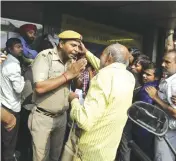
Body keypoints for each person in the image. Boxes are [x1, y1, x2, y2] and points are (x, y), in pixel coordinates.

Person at [68, 43, 135, 161]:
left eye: (102, 55)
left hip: (89, 152)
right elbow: (107, 69)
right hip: (108, 152)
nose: (100, 59)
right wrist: (87, 53)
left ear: (109, 57)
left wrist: (74, 100)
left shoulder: (102, 77)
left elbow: (84, 120)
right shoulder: (129, 77)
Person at [28, 30, 87, 161]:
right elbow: (39, 87)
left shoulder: (71, 61)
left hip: (61, 117)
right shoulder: (45, 57)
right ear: (61, 44)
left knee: (56, 157)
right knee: (40, 158)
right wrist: (68, 75)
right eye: (73, 45)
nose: (76, 49)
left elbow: (76, 86)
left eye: (78, 46)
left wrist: (79, 76)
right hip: (43, 117)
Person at [145, 50, 176, 161]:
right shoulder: (170, 79)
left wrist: (155, 97)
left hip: (168, 132)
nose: (162, 64)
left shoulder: (175, 84)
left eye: (167, 62)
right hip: (164, 128)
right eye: (162, 61)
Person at [115, 54, 151, 161]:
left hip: (129, 117)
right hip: (128, 116)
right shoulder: (133, 78)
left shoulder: (140, 84)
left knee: (125, 144)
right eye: (133, 64)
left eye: (137, 65)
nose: (133, 67)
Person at [1, 38, 24, 161]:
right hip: (11, 108)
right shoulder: (13, 65)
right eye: (17, 47)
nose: (21, 49)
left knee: (5, 141)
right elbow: (19, 89)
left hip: (4, 104)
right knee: (9, 144)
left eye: (21, 46)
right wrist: (23, 78)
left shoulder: (4, 61)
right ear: (10, 49)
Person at [131, 62, 159, 160]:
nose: (144, 76)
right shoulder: (154, 86)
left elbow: (142, 110)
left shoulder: (148, 90)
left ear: (156, 77)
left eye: (148, 74)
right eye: (144, 73)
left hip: (142, 129)